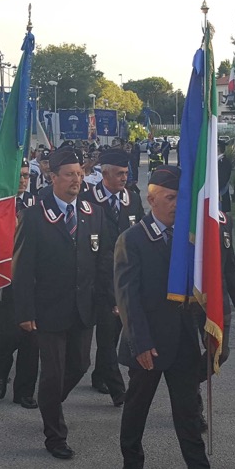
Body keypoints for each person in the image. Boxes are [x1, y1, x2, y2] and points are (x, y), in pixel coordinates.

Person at [112, 164, 235, 469]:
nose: (177, 205)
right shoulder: (133, 239)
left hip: (182, 340)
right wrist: (140, 343)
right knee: (137, 407)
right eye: (170, 198)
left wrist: (211, 329)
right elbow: (127, 298)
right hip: (148, 342)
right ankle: (132, 466)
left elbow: (205, 286)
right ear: (152, 199)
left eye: (181, 198)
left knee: (188, 411)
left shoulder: (189, 239)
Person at [13, 146, 111, 460]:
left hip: (83, 307)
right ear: (52, 177)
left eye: (79, 174)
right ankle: (55, 435)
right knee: (53, 373)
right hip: (48, 309)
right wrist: (25, 311)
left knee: (80, 365)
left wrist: (109, 300)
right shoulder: (34, 216)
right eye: (69, 175)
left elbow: (103, 261)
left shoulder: (93, 213)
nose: (76, 180)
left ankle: (49, 402)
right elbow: (22, 268)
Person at [81, 147, 145, 406]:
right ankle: (119, 392)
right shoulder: (88, 200)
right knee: (107, 337)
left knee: (115, 333)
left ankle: (100, 375)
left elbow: (140, 235)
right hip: (99, 281)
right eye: (119, 174)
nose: (124, 178)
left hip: (126, 279)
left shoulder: (133, 199)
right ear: (104, 174)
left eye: (126, 173)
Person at [0, 164, 40, 408]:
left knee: (32, 340)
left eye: (26, 176)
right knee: (6, 336)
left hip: (32, 281)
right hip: (4, 281)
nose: (22, 180)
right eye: (17, 175)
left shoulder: (38, 205)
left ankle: (24, 391)